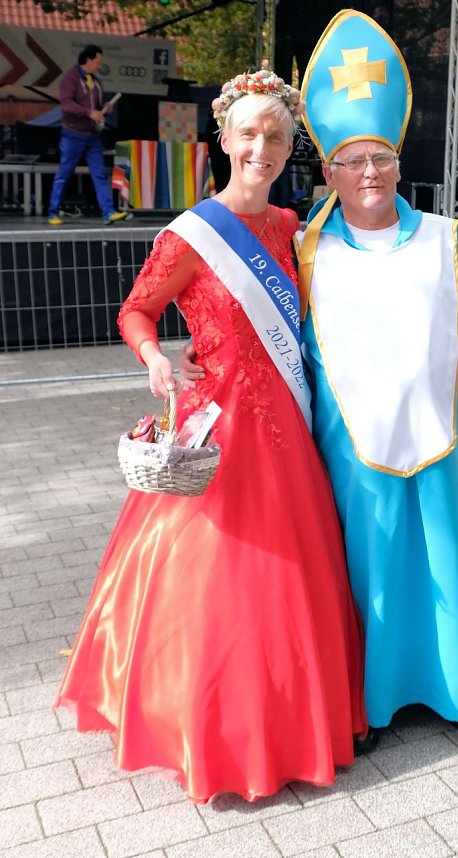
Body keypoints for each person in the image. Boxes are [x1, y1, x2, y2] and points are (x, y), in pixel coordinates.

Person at [55, 69, 367, 804]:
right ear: (224, 140)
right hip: (217, 423)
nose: (262, 148)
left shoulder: (289, 227)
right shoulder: (191, 234)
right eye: (248, 134)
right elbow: (135, 310)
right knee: (210, 572)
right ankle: (202, 726)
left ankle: (295, 718)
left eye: (276, 136)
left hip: (286, 421)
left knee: (296, 568)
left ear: (289, 147)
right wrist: (157, 356)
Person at [297, 11, 458, 745]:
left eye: (381, 158)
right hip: (350, 447)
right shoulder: (306, 253)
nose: (369, 172)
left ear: (398, 164)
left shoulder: (447, 241)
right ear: (330, 171)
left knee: (445, 561)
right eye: (352, 160)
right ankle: (370, 704)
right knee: (369, 571)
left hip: (438, 437)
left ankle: (454, 692)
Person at [47, 44, 127, 226]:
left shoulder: (96, 82)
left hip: (92, 136)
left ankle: (108, 211)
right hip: (72, 134)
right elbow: (66, 104)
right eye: (98, 62)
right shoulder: (70, 78)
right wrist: (89, 112)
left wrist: (104, 108)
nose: (99, 66)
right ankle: (52, 212)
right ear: (88, 60)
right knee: (64, 173)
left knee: (99, 173)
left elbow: (97, 106)